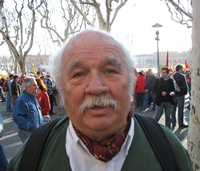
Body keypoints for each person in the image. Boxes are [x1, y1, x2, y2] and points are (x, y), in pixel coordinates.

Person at [8, 30, 192, 170]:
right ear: (61, 88)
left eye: (110, 71)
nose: (96, 87)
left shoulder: (168, 149)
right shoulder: (31, 156)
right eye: (79, 74)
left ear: (131, 81)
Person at [12, 77, 43, 143]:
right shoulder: (21, 100)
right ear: (27, 87)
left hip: (36, 132)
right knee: (32, 152)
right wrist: (29, 126)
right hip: (28, 133)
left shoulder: (33, 97)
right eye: (34, 85)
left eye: (37, 85)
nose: (37, 87)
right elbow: (16, 117)